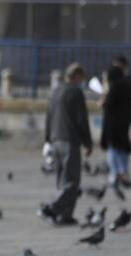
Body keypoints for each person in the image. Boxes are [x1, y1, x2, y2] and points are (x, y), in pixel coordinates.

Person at [39, 63, 92, 226]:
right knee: (72, 182)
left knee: (62, 180)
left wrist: (47, 139)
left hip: (55, 140)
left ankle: (65, 215)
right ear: (77, 76)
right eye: (82, 78)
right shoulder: (75, 92)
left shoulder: (55, 92)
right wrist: (88, 142)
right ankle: (52, 207)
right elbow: (81, 120)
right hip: (69, 141)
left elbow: (48, 116)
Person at [101, 56, 131, 188]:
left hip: (113, 123)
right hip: (124, 121)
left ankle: (116, 174)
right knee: (123, 148)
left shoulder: (115, 86)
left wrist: (103, 101)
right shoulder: (128, 84)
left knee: (113, 148)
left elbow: (109, 105)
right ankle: (123, 172)